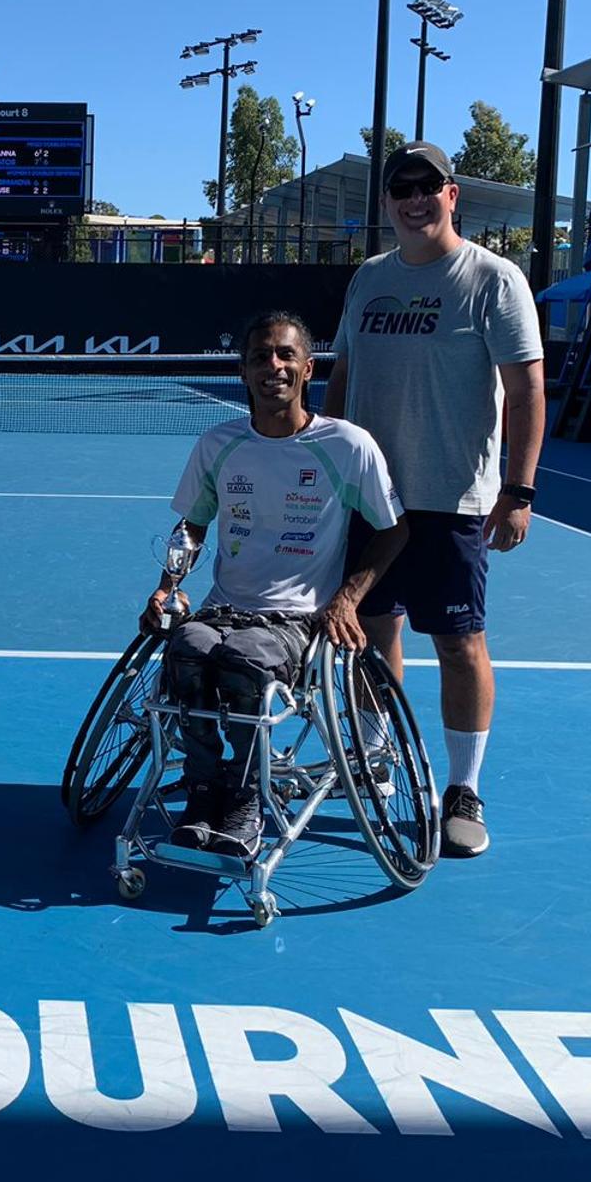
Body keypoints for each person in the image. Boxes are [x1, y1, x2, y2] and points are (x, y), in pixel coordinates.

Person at [322, 140, 545, 858]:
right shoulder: (367, 279)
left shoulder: (493, 279)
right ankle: (376, 763)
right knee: (368, 634)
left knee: (458, 643)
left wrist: (518, 491)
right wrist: (317, 462)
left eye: (429, 186)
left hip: (452, 499)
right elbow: (341, 377)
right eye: (401, 188)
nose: (415, 199)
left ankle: (463, 788)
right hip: (367, 498)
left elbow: (527, 390)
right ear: (388, 203)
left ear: (453, 196)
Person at [146, 311, 408, 856]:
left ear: (308, 368)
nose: (274, 366)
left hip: (295, 619)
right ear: (242, 370)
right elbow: (192, 525)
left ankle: (244, 795)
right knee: (187, 649)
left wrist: (347, 600)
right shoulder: (218, 443)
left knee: (244, 662)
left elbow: (392, 530)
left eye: (286, 355)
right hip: (223, 607)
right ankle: (202, 788)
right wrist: (168, 585)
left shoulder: (347, 445)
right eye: (261, 356)